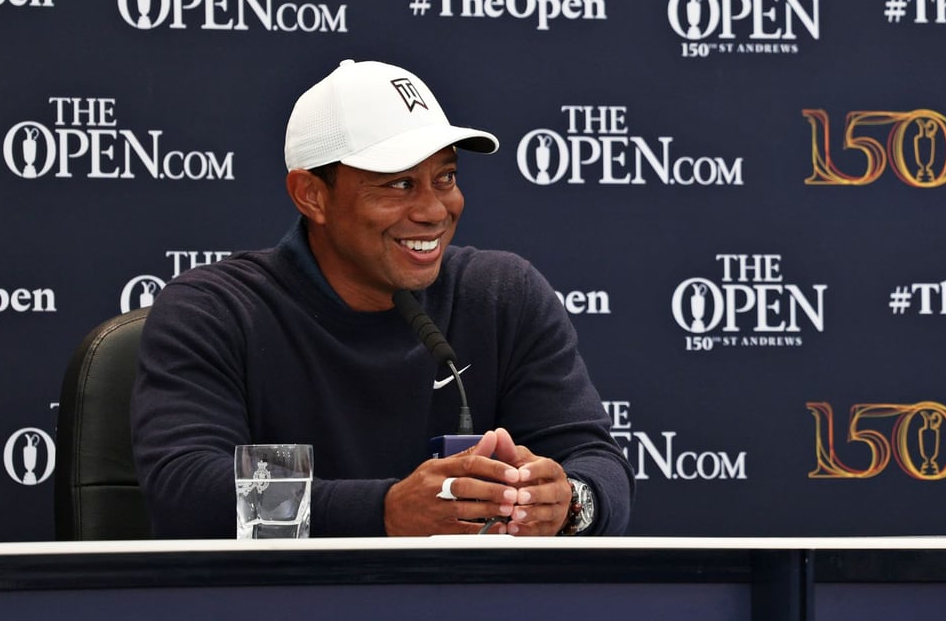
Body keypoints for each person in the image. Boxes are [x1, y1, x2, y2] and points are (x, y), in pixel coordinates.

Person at [130, 59, 633, 538]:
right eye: (399, 184)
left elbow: (594, 460)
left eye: (446, 178)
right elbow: (186, 494)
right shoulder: (215, 310)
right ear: (311, 195)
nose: (435, 210)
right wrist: (386, 512)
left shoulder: (503, 294)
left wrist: (567, 503)